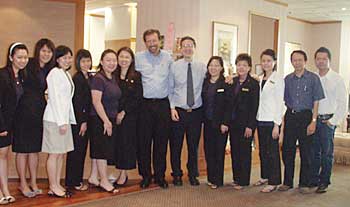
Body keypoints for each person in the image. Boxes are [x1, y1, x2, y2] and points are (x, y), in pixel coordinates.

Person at [13, 38, 55, 198]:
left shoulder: (50, 69)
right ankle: (23, 183)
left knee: (34, 150)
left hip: (39, 112)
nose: (46, 54)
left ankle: (33, 182)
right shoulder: (28, 64)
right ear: (37, 51)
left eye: (49, 51)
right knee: (23, 150)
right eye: (43, 50)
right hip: (23, 111)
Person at [278, 50, 325, 194]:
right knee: (287, 150)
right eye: (294, 60)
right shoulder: (287, 79)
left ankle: (304, 182)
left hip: (306, 117)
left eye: (300, 60)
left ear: (305, 61)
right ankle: (287, 182)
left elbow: (316, 101)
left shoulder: (313, 78)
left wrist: (314, 121)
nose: (297, 63)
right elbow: (283, 100)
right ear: (291, 62)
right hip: (291, 116)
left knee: (306, 151)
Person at [135, 29, 173, 189]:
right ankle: (145, 176)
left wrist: (172, 107)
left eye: (154, 40)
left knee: (161, 143)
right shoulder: (138, 58)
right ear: (145, 43)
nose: (152, 44)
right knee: (144, 143)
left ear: (160, 41)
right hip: (145, 106)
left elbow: (171, 83)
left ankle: (160, 176)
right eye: (149, 41)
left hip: (163, 105)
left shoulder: (168, 57)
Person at [168, 36, 206, 186]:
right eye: (185, 46)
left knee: (193, 146)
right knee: (176, 145)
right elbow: (170, 89)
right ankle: (176, 174)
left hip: (196, 112)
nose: (187, 48)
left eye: (190, 45)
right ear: (181, 49)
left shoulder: (202, 67)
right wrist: (171, 108)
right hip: (178, 111)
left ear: (194, 48)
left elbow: (213, 79)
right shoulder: (174, 66)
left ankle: (193, 174)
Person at [310, 47, 347, 193]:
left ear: (329, 60)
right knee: (314, 152)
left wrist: (333, 121)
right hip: (313, 119)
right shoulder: (312, 77)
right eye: (318, 58)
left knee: (327, 153)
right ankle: (313, 179)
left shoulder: (337, 78)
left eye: (324, 59)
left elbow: (343, 103)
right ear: (315, 60)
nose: (321, 61)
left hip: (327, 121)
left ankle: (324, 181)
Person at [42, 45, 76, 198]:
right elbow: (54, 99)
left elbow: (67, 100)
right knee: (54, 154)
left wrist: (67, 121)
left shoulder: (65, 74)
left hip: (64, 120)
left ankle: (56, 183)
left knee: (61, 153)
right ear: (57, 59)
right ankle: (53, 185)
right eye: (64, 58)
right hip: (54, 120)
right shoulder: (54, 73)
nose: (67, 60)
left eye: (69, 57)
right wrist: (61, 122)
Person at [222, 53, 260, 190]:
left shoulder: (254, 84)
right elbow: (228, 104)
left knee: (244, 152)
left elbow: (254, 106)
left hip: (246, 125)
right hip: (233, 123)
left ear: (249, 67)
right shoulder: (233, 81)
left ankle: (244, 181)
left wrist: (250, 126)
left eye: (244, 65)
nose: (241, 67)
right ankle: (236, 178)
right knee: (235, 151)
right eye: (239, 65)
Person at [0, 42, 29, 204]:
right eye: (19, 57)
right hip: (2, 123)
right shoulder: (2, 75)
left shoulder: (22, 76)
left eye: (25, 57)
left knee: (4, 156)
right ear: (11, 58)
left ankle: (5, 189)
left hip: (11, 123)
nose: (23, 60)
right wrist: (1, 126)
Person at [89, 49, 120, 193]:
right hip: (100, 119)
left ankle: (94, 177)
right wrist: (106, 121)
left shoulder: (112, 77)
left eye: (114, 60)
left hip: (110, 118)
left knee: (99, 149)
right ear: (101, 62)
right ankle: (104, 180)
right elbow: (96, 101)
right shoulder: (98, 78)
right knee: (102, 151)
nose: (112, 63)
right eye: (108, 60)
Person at [255, 49, 285, 193]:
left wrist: (276, 125)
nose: (266, 63)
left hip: (271, 121)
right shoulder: (260, 78)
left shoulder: (278, 78)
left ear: (274, 62)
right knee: (263, 151)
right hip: (260, 119)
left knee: (272, 152)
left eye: (268, 61)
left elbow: (281, 103)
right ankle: (265, 176)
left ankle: (274, 181)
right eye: (263, 61)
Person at [113, 47, 142, 187]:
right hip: (113, 116)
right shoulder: (112, 75)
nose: (124, 60)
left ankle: (123, 174)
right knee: (116, 145)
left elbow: (137, 98)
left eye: (127, 57)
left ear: (131, 60)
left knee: (125, 144)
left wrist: (123, 112)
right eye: (121, 57)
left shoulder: (136, 76)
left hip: (129, 117)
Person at [65, 49, 93, 191]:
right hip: (79, 121)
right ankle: (73, 181)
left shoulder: (87, 77)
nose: (86, 64)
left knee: (80, 151)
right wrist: (82, 122)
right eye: (83, 61)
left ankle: (75, 180)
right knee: (76, 151)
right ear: (78, 62)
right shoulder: (78, 78)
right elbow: (78, 103)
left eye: (88, 60)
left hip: (83, 120)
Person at [201, 56, 229, 189]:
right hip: (207, 122)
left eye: (217, 65)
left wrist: (225, 123)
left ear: (221, 68)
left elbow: (230, 105)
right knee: (208, 150)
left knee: (219, 151)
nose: (213, 68)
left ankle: (218, 180)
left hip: (220, 124)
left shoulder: (226, 83)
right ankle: (210, 178)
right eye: (211, 65)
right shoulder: (205, 82)